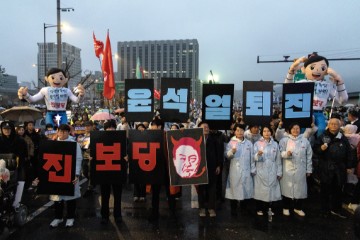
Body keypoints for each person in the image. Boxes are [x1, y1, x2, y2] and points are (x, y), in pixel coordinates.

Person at [285, 53, 348, 137]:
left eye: (322, 68)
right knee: (303, 131)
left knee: (321, 130)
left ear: (326, 71)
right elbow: (287, 89)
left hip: (319, 113)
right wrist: (291, 72)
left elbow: (342, 100)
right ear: (304, 70)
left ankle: (318, 147)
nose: (317, 70)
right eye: (312, 67)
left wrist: (340, 82)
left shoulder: (327, 85)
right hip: (304, 113)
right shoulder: (302, 83)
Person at [314, 118, 355, 218]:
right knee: (325, 191)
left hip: (340, 169)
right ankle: (324, 210)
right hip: (326, 168)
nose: (333, 126)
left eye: (335, 124)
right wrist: (321, 149)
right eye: (331, 124)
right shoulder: (323, 136)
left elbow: (349, 152)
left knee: (338, 190)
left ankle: (336, 209)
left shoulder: (343, 138)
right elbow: (315, 150)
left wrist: (349, 166)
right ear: (328, 125)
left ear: (339, 125)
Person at [17, 68, 85, 126]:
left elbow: (77, 100)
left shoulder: (67, 91)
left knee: (64, 129)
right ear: (47, 78)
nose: (57, 80)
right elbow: (32, 99)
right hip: (50, 113)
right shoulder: (45, 90)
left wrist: (81, 95)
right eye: (53, 77)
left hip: (62, 113)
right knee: (50, 130)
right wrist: (26, 95)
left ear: (65, 80)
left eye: (61, 78)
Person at [48, 124, 83, 228]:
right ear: (57, 132)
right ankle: (58, 217)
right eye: (61, 131)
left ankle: (70, 217)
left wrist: (76, 174)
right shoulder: (53, 144)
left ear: (68, 132)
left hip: (70, 173)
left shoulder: (74, 144)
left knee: (70, 197)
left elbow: (78, 159)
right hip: (57, 173)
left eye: (65, 132)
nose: (62, 133)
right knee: (57, 198)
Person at [279, 123, 313, 217]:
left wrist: (308, 169)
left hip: (300, 169)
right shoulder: (284, 140)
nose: (295, 130)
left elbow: (309, 155)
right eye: (293, 128)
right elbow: (280, 153)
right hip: (287, 169)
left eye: (297, 128)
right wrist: (287, 154)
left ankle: (298, 208)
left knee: (300, 189)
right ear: (289, 130)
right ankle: (286, 207)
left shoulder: (304, 141)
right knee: (287, 189)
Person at [225, 124, 255, 216]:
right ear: (234, 132)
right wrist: (231, 152)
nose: (240, 132)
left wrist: (253, 169)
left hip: (246, 170)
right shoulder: (231, 143)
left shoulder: (249, 143)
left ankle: (243, 208)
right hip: (235, 170)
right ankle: (233, 209)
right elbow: (227, 155)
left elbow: (252, 157)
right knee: (234, 189)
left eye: (241, 130)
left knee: (246, 189)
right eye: (237, 130)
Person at [253, 125, 282, 216]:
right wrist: (258, 155)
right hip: (261, 169)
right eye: (265, 131)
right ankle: (259, 208)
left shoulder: (275, 144)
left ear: (271, 132)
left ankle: (269, 208)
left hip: (272, 170)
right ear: (262, 133)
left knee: (271, 190)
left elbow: (278, 159)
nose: (266, 133)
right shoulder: (257, 144)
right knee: (260, 190)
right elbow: (253, 158)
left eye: (268, 131)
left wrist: (279, 171)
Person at [99, 120, 124, 224]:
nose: (110, 129)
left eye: (112, 127)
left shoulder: (122, 139)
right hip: (104, 171)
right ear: (105, 129)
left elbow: (126, 151)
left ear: (115, 128)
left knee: (118, 195)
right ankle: (104, 215)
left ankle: (117, 215)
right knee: (105, 195)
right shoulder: (99, 139)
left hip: (117, 171)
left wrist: (127, 157)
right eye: (108, 127)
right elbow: (93, 151)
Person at [0, 121, 28, 208]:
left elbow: (24, 155)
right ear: (1, 130)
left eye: (9, 129)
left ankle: (16, 204)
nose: (7, 131)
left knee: (19, 183)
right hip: (1, 168)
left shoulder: (19, 140)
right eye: (5, 129)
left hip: (17, 167)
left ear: (12, 129)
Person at [197, 121, 222, 217]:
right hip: (200, 168)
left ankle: (211, 208)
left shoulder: (214, 140)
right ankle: (202, 208)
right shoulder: (196, 139)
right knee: (201, 189)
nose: (206, 129)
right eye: (203, 127)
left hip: (212, 167)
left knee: (212, 189)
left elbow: (218, 153)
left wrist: (218, 165)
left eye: (207, 127)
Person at [133, 123, 147, 202]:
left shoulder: (147, 137)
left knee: (143, 179)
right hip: (135, 160)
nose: (140, 129)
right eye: (139, 128)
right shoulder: (133, 137)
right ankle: (136, 194)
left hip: (145, 160)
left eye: (142, 127)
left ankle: (142, 194)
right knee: (136, 179)